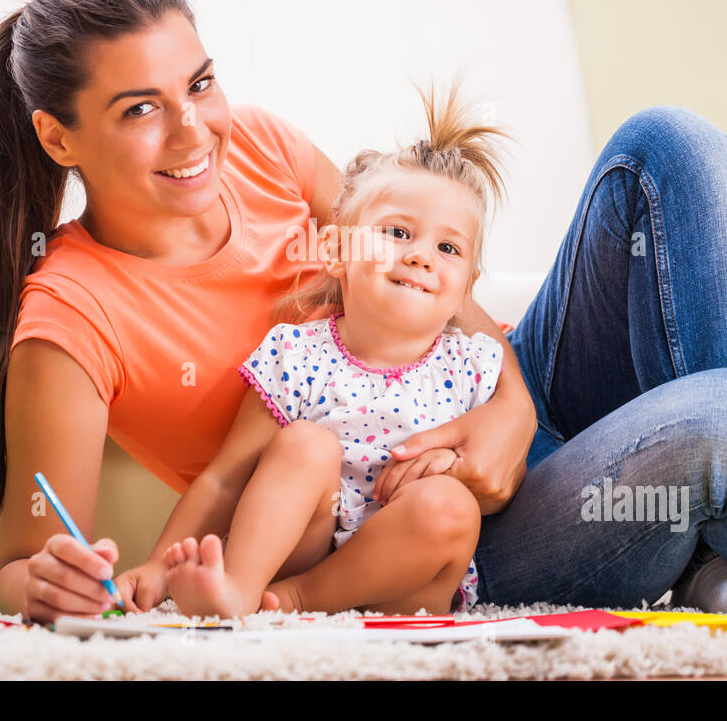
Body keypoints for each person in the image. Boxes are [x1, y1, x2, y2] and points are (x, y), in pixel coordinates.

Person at [0, 0, 727, 625]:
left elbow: (442, 290)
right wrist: (50, 582)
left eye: (199, 82)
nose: (194, 132)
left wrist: (508, 412)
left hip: (495, 414)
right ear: (57, 135)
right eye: (140, 109)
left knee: (674, 148)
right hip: (431, 537)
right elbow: (29, 558)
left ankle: (704, 553)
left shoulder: (253, 145)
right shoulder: (72, 314)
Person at [154, 84, 508, 618]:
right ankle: (241, 589)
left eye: (448, 248)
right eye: (396, 232)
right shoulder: (298, 356)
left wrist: (453, 473)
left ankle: (296, 603)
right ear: (338, 250)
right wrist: (155, 567)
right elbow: (225, 476)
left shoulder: (472, 368)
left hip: (406, 581)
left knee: (451, 506)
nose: (419, 257)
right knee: (305, 446)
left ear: (467, 287)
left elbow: (500, 481)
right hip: (303, 552)